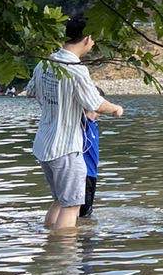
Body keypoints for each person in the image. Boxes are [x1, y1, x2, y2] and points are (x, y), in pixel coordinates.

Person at [25, 16, 124, 231]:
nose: (94, 43)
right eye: (93, 39)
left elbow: (31, 91)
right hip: (66, 147)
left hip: (43, 144)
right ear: (86, 38)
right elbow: (95, 103)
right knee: (72, 205)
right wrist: (116, 108)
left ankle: (50, 245)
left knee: (60, 199)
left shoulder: (45, 63)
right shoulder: (76, 69)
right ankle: (64, 256)